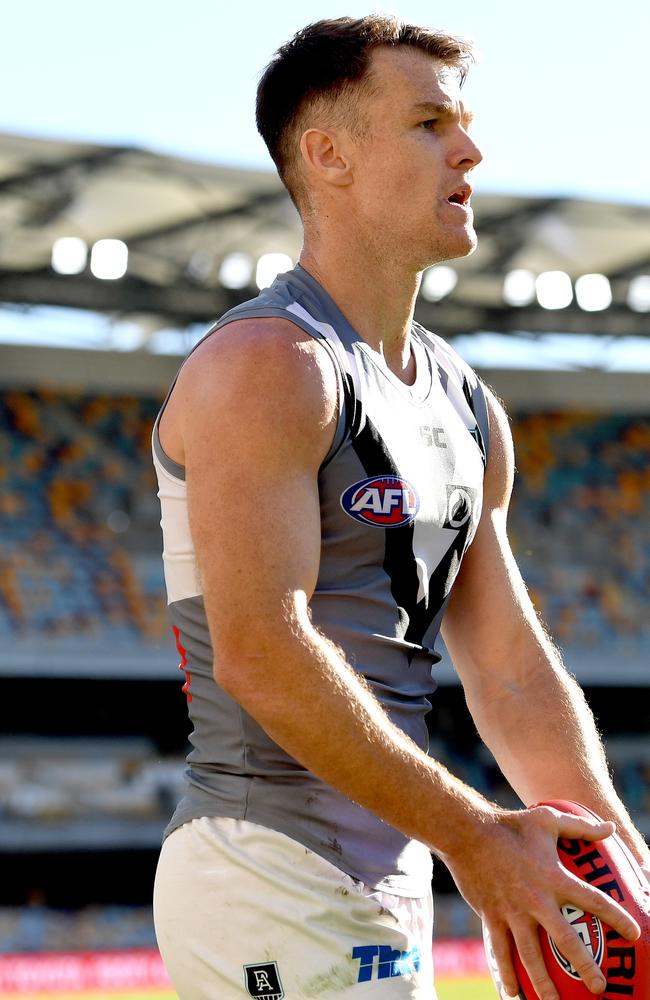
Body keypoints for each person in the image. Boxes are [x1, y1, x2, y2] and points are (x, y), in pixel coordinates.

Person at [151, 15, 649, 1000]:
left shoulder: (465, 404)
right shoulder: (268, 365)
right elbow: (261, 649)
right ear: (327, 155)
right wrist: (478, 834)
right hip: (269, 858)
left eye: (461, 123)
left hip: (399, 867)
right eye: (427, 122)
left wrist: (621, 859)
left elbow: (507, 669)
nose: (468, 148)